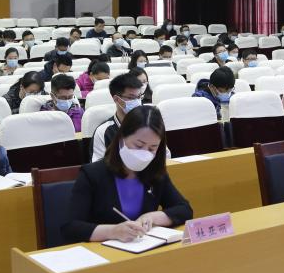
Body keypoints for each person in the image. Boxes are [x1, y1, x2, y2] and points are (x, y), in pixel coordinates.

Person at [62, 105, 193, 244]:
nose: (144, 153)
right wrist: (113, 231)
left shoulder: (154, 172)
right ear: (121, 138)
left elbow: (184, 210)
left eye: (152, 148)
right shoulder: (92, 174)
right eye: (138, 145)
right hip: (102, 250)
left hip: (143, 248)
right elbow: (70, 227)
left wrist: (152, 217)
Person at [92, 72, 145, 162]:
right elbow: (97, 166)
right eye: (131, 98)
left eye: (139, 97)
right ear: (116, 99)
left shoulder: (150, 124)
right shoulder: (103, 132)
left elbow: (165, 156)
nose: (137, 101)